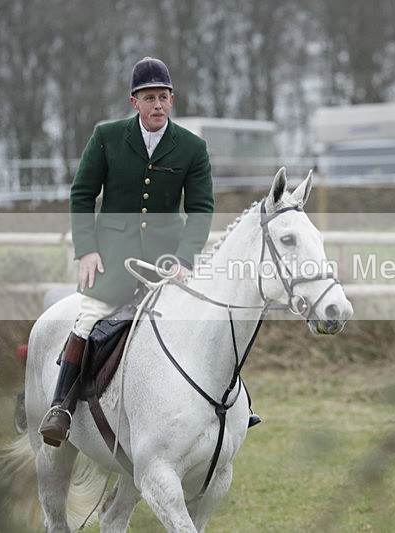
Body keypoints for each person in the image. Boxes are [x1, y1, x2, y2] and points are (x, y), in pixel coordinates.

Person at [39, 57, 258, 447]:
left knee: (208, 323)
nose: (157, 104)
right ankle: (61, 407)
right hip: (111, 260)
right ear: (134, 101)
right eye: (149, 97)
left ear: (172, 100)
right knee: (87, 319)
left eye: (163, 97)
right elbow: (82, 194)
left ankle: (236, 404)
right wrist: (87, 250)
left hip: (167, 263)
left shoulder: (192, 147)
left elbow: (202, 208)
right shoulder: (106, 137)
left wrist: (185, 258)